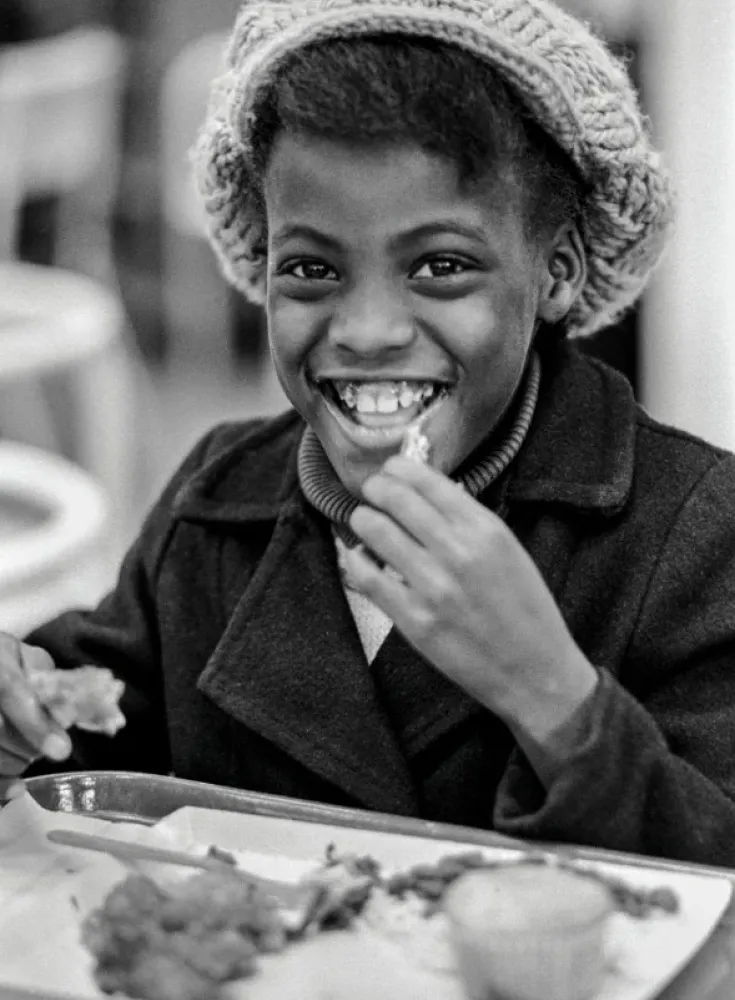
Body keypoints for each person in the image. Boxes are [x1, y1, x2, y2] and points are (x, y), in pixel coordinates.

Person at [1, 0, 735, 867]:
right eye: (311, 269)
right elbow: (95, 747)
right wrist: (23, 713)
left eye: (440, 267)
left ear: (556, 273)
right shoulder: (216, 504)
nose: (368, 330)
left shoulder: (693, 533)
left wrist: (551, 694)